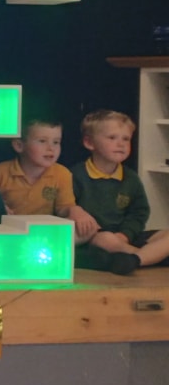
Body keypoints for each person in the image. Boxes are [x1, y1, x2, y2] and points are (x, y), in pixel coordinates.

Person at [70, 110, 169, 274]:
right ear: (89, 143)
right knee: (106, 239)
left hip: (125, 237)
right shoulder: (76, 175)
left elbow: (139, 212)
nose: (121, 144)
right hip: (96, 237)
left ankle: (134, 259)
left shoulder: (131, 178)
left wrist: (125, 234)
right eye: (112, 138)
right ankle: (149, 257)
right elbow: (67, 208)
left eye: (126, 139)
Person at [0, 117, 95, 240]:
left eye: (56, 142)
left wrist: (75, 210)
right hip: (10, 231)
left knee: (89, 228)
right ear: (19, 145)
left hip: (44, 232)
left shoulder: (62, 173)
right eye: (42, 141)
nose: (51, 148)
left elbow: (63, 208)